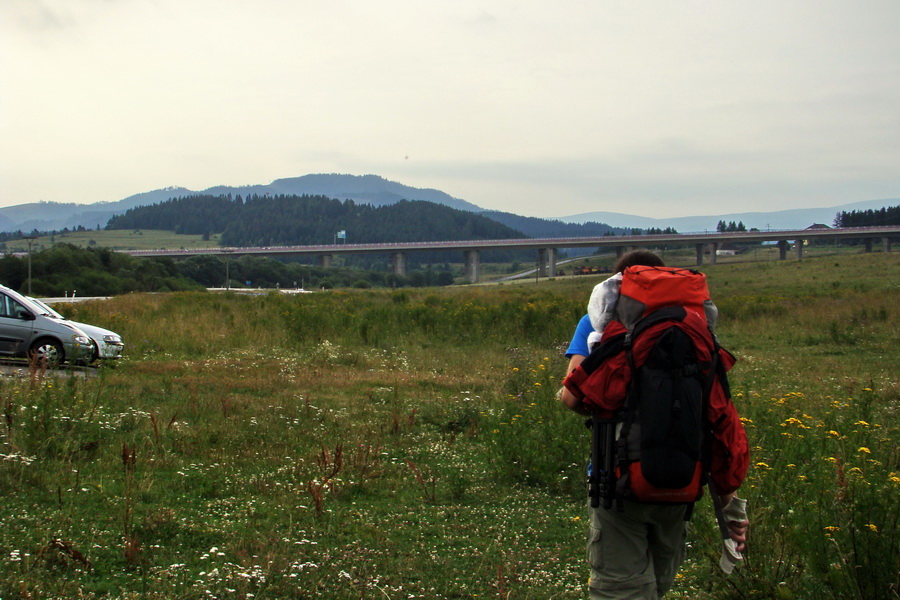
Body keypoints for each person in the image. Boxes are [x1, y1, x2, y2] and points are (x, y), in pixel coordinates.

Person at [559, 250, 749, 600]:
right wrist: (731, 504)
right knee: (657, 588)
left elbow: (573, 397)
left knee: (618, 589)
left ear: (619, 284)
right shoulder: (697, 331)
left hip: (615, 483)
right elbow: (719, 420)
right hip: (682, 482)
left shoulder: (600, 322)